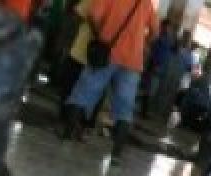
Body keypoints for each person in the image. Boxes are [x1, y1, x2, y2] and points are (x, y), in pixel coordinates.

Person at [61, 0, 159, 162]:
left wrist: (100, 35)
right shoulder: (145, 2)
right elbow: (155, 32)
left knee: (82, 93)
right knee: (125, 109)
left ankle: (67, 134)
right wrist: (143, 45)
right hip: (132, 61)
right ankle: (117, 155)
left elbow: (92, 15)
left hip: (106, 54)